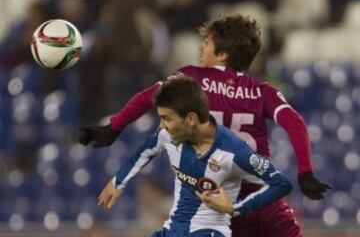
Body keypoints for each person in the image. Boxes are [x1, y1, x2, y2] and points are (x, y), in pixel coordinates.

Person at [80, 15, 331, 236]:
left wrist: (114, 127)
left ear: (222, 54)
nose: (201, 47)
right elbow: (296, 123)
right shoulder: (263, 91)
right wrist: (305, 172)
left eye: (207, 43)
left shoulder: (192, 78)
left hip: (213, 208)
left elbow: (148, 97)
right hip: (264, 203)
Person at [98, 77, 293, 237]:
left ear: (190, 119)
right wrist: (118, 182)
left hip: (208, 232)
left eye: (166, 118)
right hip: (173, 230)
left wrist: (235, 208)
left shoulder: (234, 151)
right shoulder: (169, 135)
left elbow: (281, 183)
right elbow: (146, 150)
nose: (161, 125)